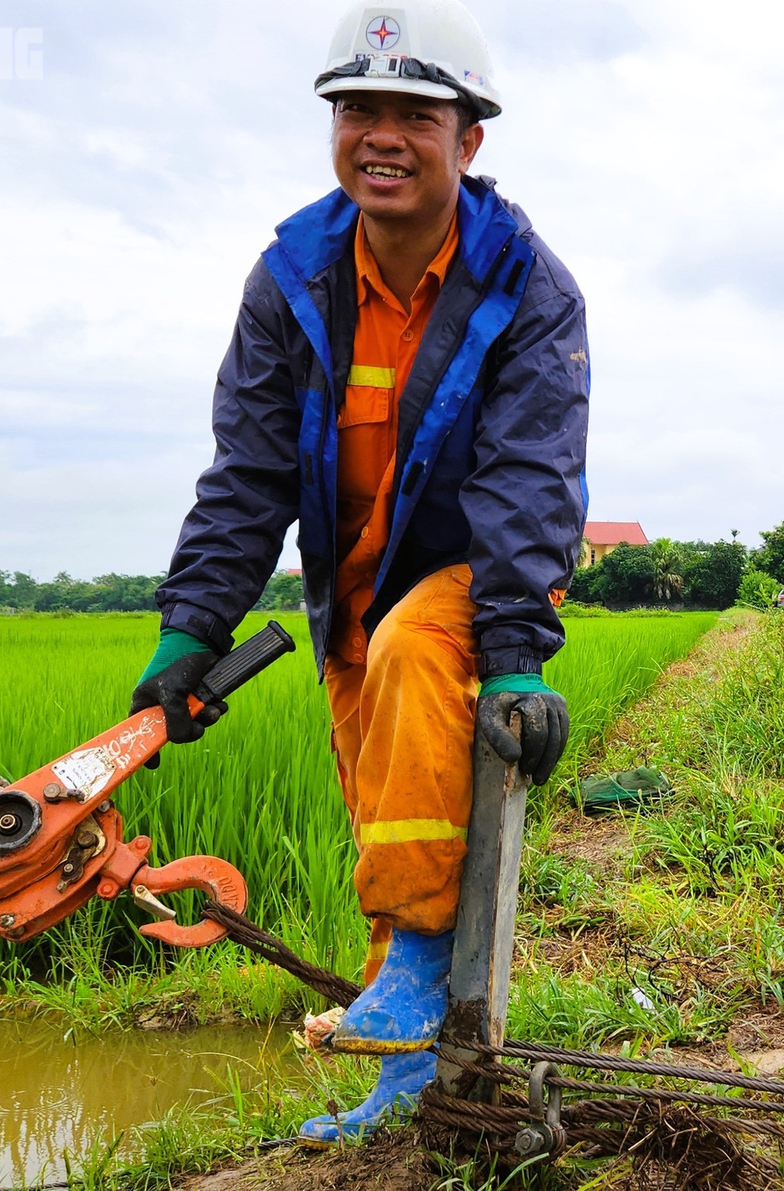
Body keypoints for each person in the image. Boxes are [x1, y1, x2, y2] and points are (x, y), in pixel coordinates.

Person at [129, 0, 589, 1146]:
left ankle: (426, 962)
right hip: (351, 591)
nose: (380, 136)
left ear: (466, 139)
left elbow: (529, 477)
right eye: (357, 111)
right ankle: (407, 1073)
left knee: (416, 654)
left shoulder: (526, 286)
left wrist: (519, 653)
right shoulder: (290, 277)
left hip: (477, 580)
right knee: (387, 819)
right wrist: (190, 633)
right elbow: (247, 475)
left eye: (412, 116)